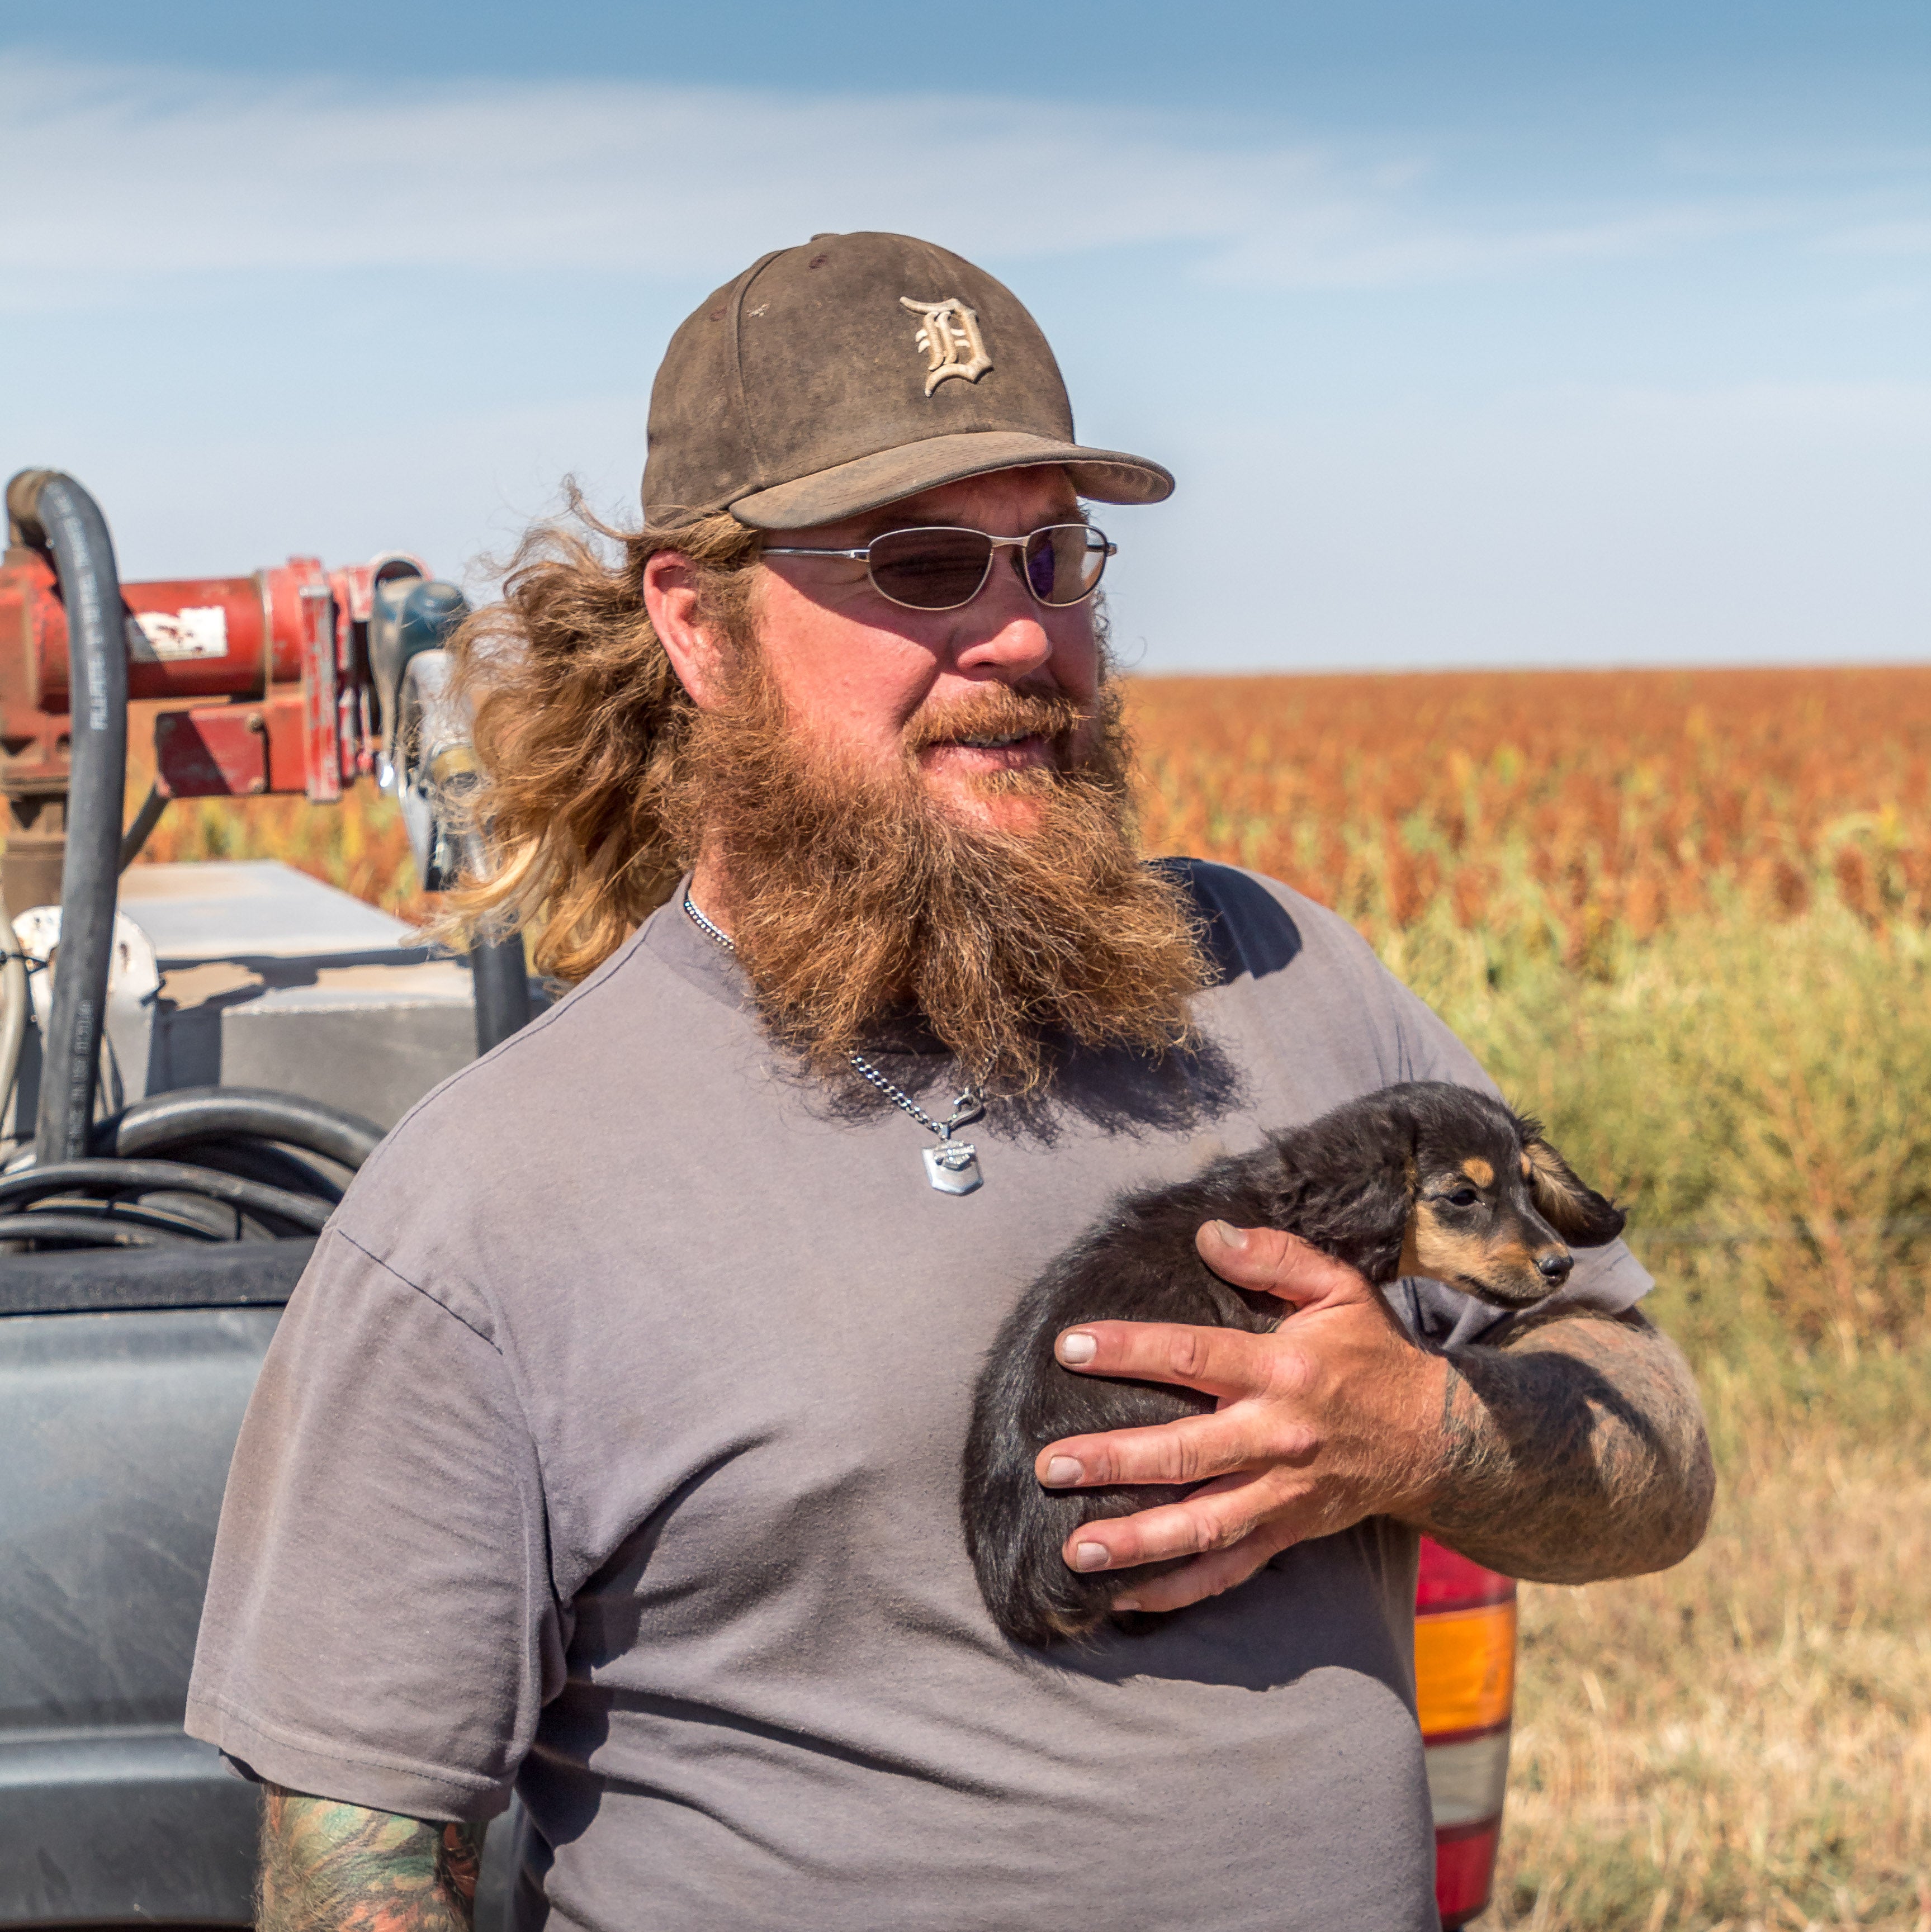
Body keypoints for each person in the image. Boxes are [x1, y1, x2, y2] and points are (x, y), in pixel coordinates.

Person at [186, 231, 1713, 1932]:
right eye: (922, 566)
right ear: (699, 625)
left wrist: (1420, 1436)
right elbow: (360, 1870)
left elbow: (1659, 1453)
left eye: (1053, 556)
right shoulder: (494, 1203)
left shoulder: (1291, 983)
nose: (1019, 636)